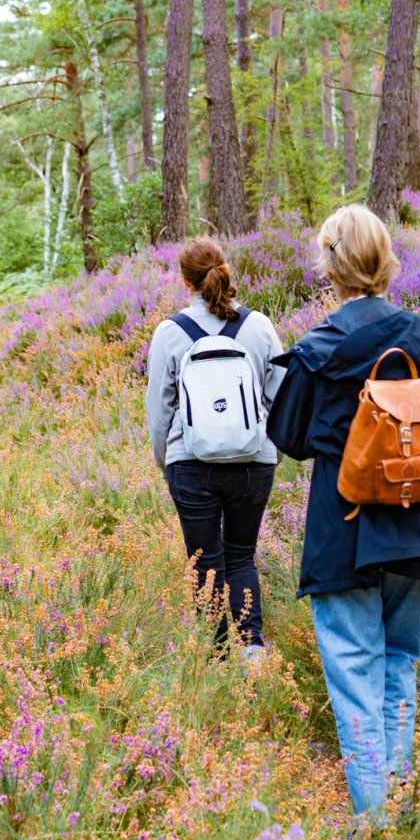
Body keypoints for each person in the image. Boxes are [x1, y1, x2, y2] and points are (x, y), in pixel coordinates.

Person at [266, 204, 420, 817]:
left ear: (331, 264)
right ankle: (396, 800)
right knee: (400, 659)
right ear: (385, 259)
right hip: (417, 522)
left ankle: (374, 819)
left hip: (343, 527)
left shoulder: (319, 347)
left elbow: (289, 437)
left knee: (354, 674)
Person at [146, 236, 285, 660]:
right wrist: (270, 450)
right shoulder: (258, 326)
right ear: (224, 270)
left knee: (204, 562)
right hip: (252, 462)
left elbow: (159, 411)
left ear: (184, 279)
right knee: (242, 556)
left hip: (191, 464)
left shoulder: (170, 333)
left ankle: (217, 657)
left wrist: (165, 462)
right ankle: (252, 653)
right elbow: (281, 395)